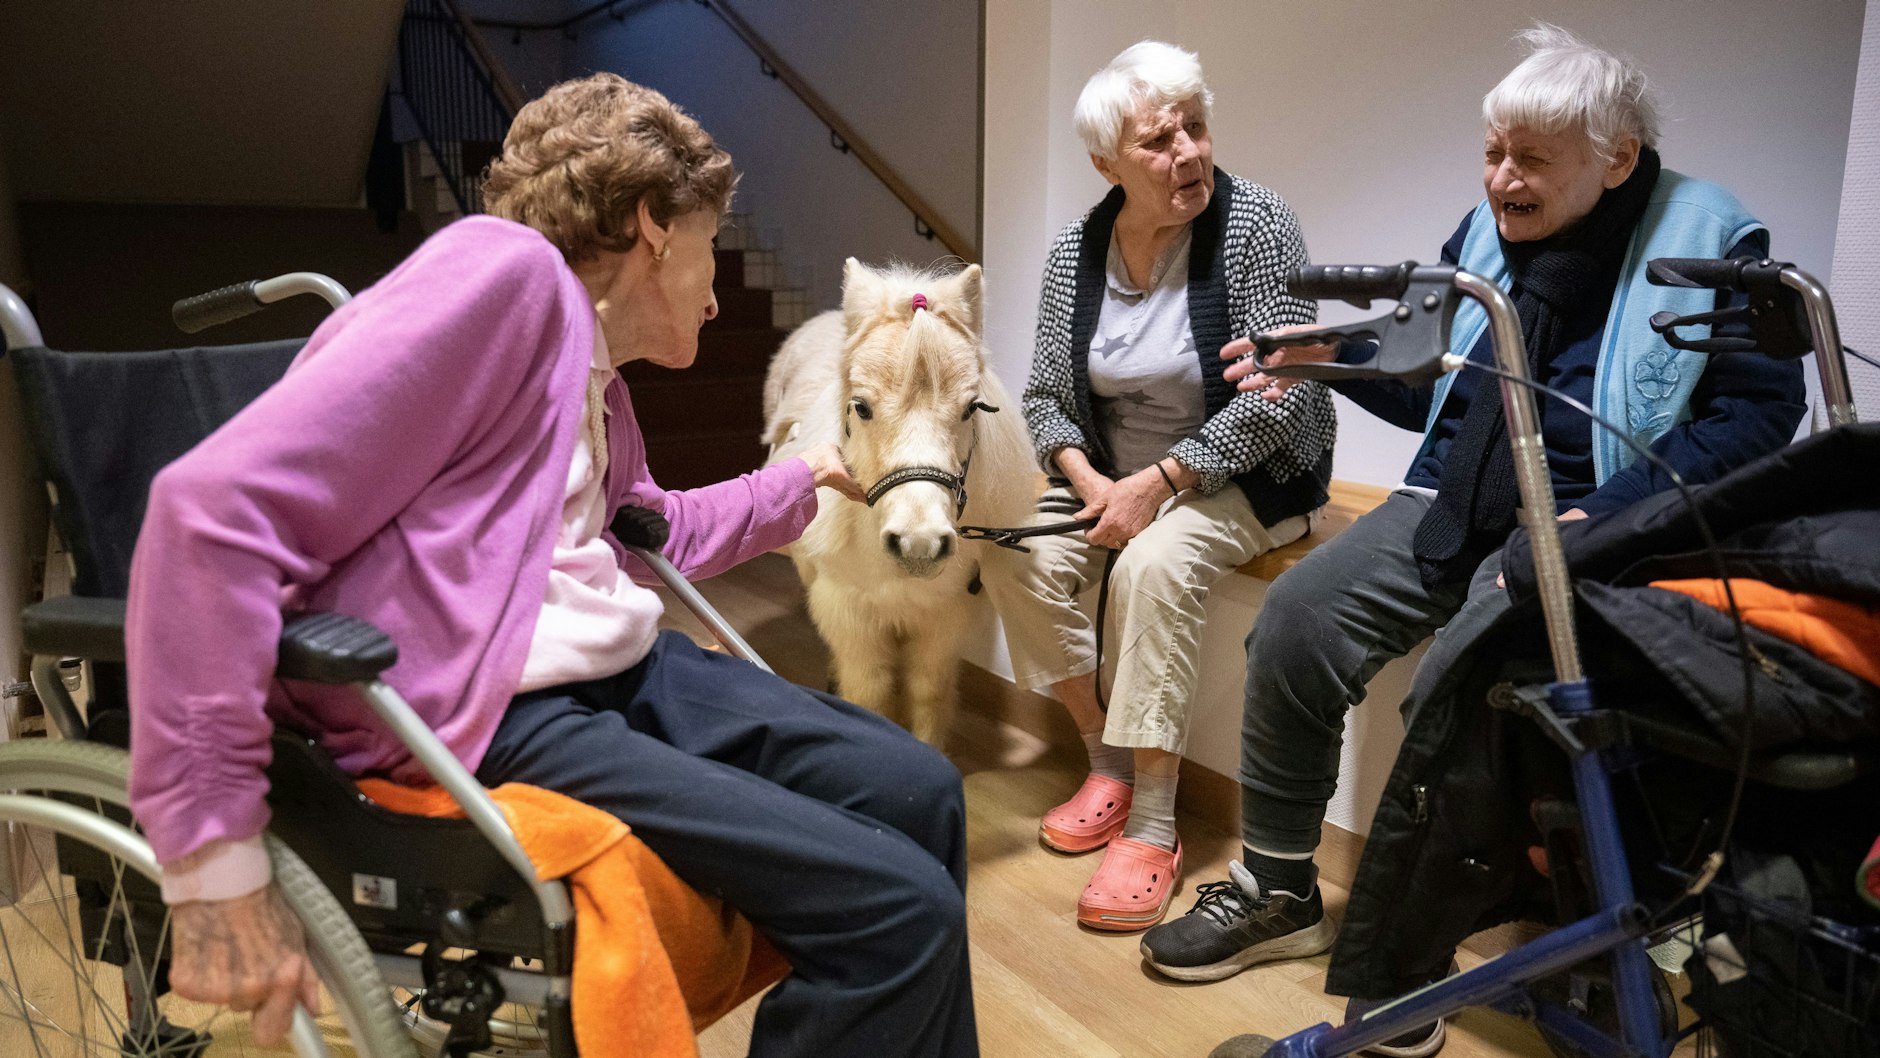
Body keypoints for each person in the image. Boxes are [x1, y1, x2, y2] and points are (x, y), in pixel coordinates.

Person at [126, 73, 980, 1058]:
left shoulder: (591, 371)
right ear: (655, 226)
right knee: (894, 912)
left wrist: (798, 481)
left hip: (616, 674)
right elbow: (206, 514)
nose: (716, 281)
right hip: (497, 710)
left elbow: (645, 530)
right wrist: (209, 866)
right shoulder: (507, 278)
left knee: (920, 791)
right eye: (709, 239)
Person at [1144, 24, 1804, 1058]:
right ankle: (1277, 885)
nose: (1501, 178)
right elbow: (1431, 390)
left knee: (1455, 687)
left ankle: (1408, 966)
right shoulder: (1480, 233)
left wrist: (1621, 506)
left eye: (1529, 157)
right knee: (1296, 621)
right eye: (1492, 151)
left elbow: (1758, 419)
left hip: (1601, 519)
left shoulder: (1714, 238)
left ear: (1615, 156)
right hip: (1458, 503)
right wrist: (1333, 360)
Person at [987, 41, 1335, 933]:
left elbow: (1279, 401)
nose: (1186, 153)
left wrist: (1161, 482)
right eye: (1157, 141)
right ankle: (1105, 761)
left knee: (1152, 565)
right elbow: (1042, 394)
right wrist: (1089, 478)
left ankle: (1152, 822)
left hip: (1251, 472)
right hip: (1116, 474)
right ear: (1107, 163)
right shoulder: (1079, 249)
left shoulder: (1257, 224)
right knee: (1006, 546)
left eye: (1196, 128)